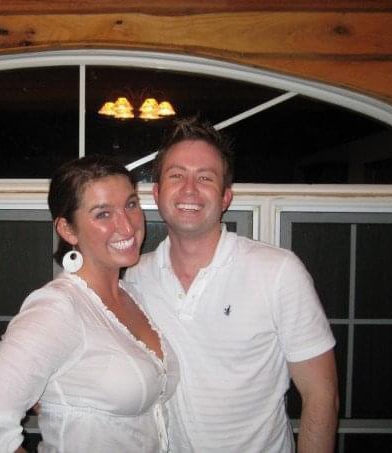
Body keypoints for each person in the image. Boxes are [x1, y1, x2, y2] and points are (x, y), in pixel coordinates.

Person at [125, 117, 339, 452]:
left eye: (205, 178)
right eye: (176, 175)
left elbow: (322, 395)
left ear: (225, 197)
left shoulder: (278, 272)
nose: (189, 189)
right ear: (157, 192)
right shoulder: (136, 277)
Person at [0, 156, 179, 453]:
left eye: (130, 204)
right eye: (103, 214)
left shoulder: (135, 296)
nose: (127, 225)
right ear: (68, 230)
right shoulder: (57, 309)